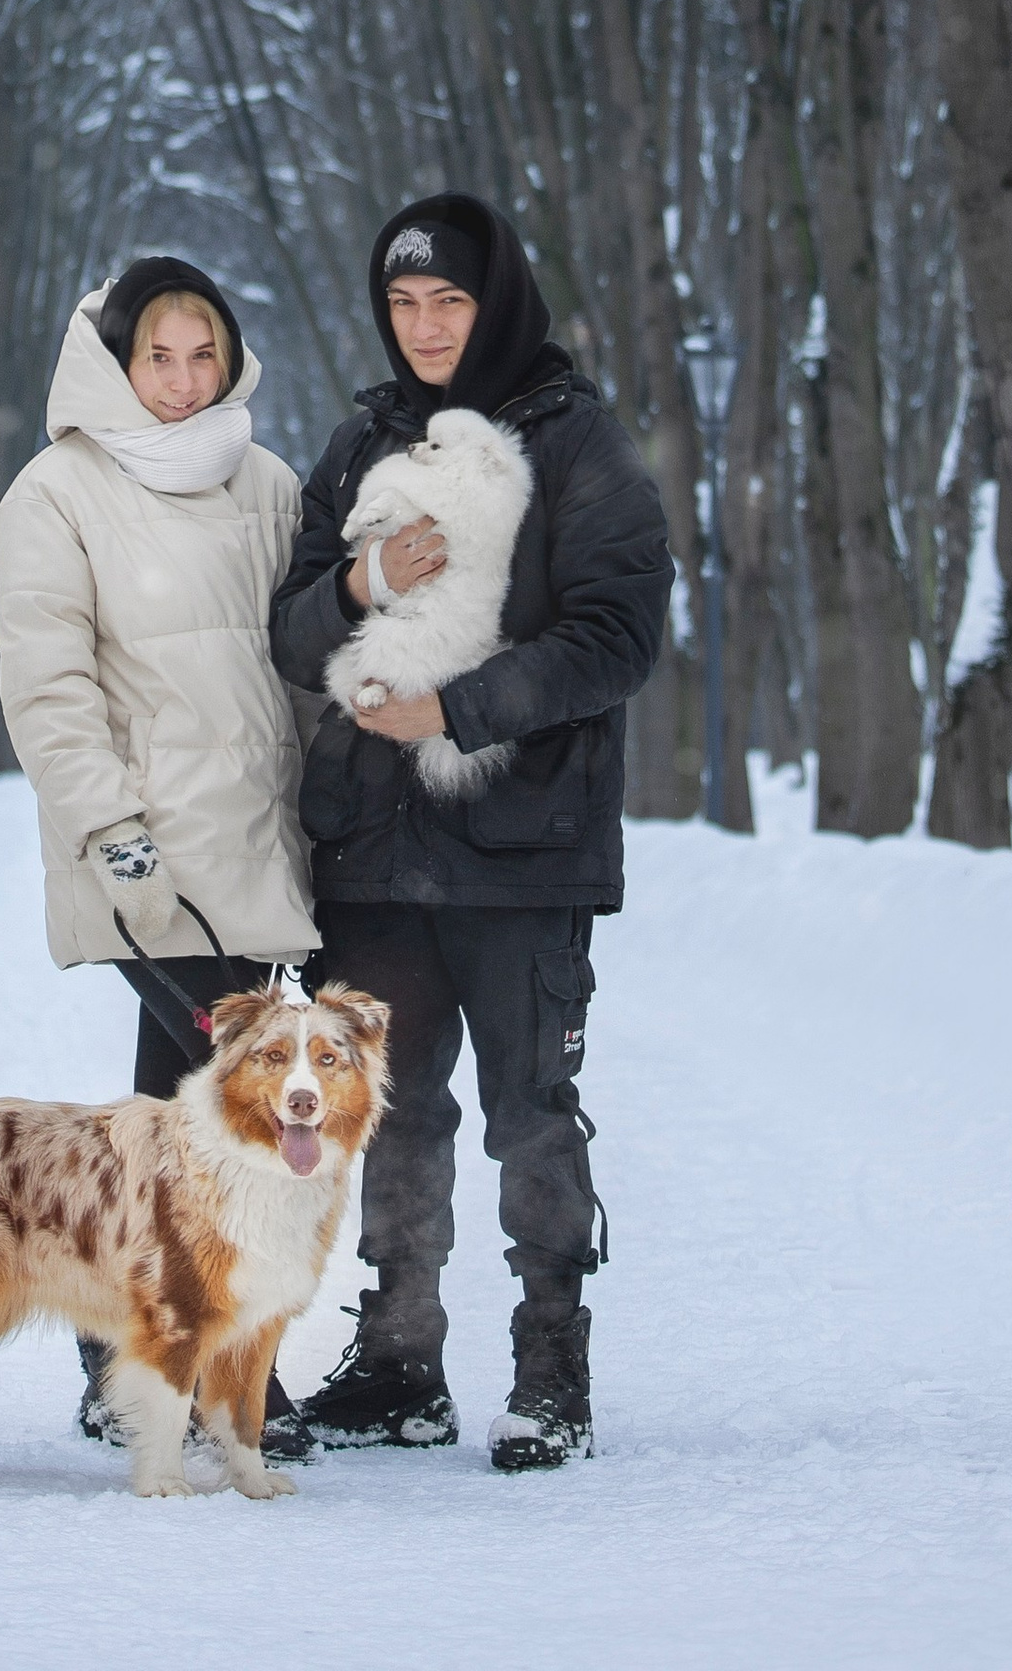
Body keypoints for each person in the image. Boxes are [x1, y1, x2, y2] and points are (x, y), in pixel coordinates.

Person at [270, 193, 674, 1471]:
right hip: (371, 852)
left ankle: (551, 1368)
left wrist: (462, 708)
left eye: (449, 299)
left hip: (521, 844)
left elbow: (617, 636)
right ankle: (399, 1359)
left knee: (529, 1112)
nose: (426, 325)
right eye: (404, 302)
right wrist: (357, 587)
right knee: (388, 1112)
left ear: (494, 302)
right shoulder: (360, 442)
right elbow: (286, 632)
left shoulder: (575, 441)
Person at [0, 253, 320, 1461]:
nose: (183, 383)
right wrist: (108, 832)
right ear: (115, 363)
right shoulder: (56, 492)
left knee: (178, 1122)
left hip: (257, 854)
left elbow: (298, 661)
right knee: (203, 1122)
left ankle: (134, 1354)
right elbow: (47, 682)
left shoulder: (270, 482)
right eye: (158, 357)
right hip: (144, 858)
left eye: (204, 357)